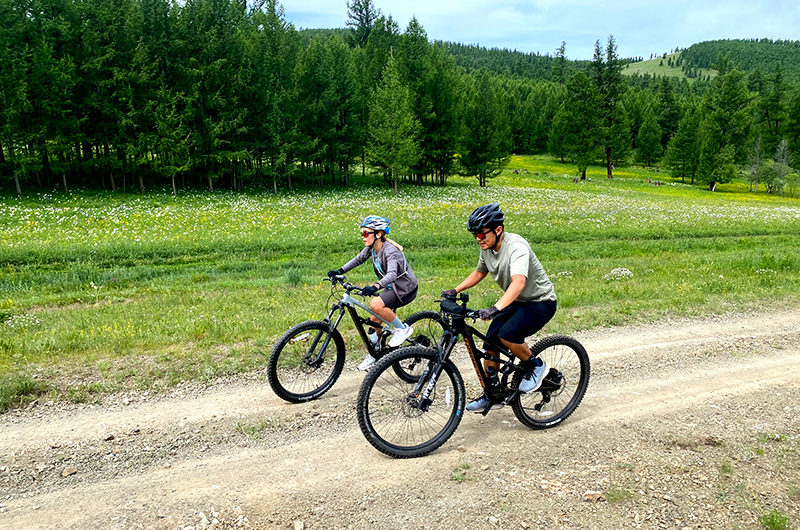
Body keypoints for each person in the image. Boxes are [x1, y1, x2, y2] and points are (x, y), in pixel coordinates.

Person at [441, 203, 557, 413]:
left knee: (508, 335)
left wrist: (495, 309)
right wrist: (455, 290)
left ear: (498, 230)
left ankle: (536, 367)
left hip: (540, 301)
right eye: (474, 234)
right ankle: (492, 395)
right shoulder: (487, 247)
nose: (478, 238)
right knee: (491, 341)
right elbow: (479, 272)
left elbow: (519, 283)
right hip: (517, 301)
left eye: (482, 233)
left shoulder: (517, 247)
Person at [328, 215, 418, 371]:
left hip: (405, 289)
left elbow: (392, 275)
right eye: (362, 233)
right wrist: (339, 271)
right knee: (373, 324)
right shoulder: (372, 249)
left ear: (378, 234)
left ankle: (402, 329)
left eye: (365, 233)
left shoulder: (390, 251)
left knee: (375, 303)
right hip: (392, 287)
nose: (363, 237)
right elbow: (358, 259)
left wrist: (375, 286)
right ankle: (374, 355)